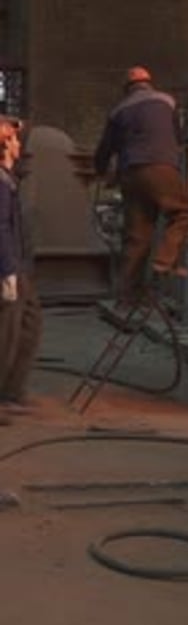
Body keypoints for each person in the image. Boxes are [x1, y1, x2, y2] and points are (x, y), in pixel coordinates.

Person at [94, 65, 188, 303]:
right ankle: (165, 260)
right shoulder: (167, 101)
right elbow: (179, 137)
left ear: (127, 89)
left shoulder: (118, 110)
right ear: (149, 82)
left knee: (136, 237)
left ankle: (126, 298)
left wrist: (100, 172)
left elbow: (105, 149)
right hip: (160, 166)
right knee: (184, 212)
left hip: (130, 173)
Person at [0, 117, 42, 413]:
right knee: (6, 332)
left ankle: (12, 391)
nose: (18, 144)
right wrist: (7, 271)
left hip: (20, 264)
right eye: (13, 139)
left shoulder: (9, 178)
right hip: (8, 264)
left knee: (29, 324)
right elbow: (0, 226)